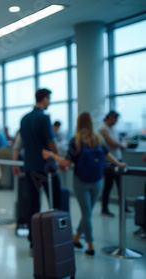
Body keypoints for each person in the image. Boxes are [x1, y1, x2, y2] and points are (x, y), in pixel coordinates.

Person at [42, 112, 126, 256]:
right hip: (97, 181)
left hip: (81, 181)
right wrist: (119, 163)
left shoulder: (76, 141)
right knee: (88, 213)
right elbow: (107, 155)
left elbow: (67, 162)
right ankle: (76, 238)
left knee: (86, 213)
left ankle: (90, 246)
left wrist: (51, 155)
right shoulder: (97, 139)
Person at [12, 88, 61, 254]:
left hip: (30, 167)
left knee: (33, 204)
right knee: (57, 202)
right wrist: (59, 158)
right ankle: (56, 237)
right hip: (47, 168)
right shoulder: (43, 118)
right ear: (45, 99)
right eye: (49, 99)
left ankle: (33, 241)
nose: (50, 102)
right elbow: (52, 142)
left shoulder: (24, 119)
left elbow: (21, 144)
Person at [99, 110, 131, 216]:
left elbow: (116, 142)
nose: (116, 121)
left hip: (118, 160)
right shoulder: (103, 129)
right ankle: (104, 208)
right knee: (108, 186)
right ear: (109, 118)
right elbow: (112, 143)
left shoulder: (113, 129)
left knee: (120, 185)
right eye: (115, 119)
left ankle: (124, 207)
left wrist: (122, 144)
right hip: (110, 162)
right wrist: (123, 145)